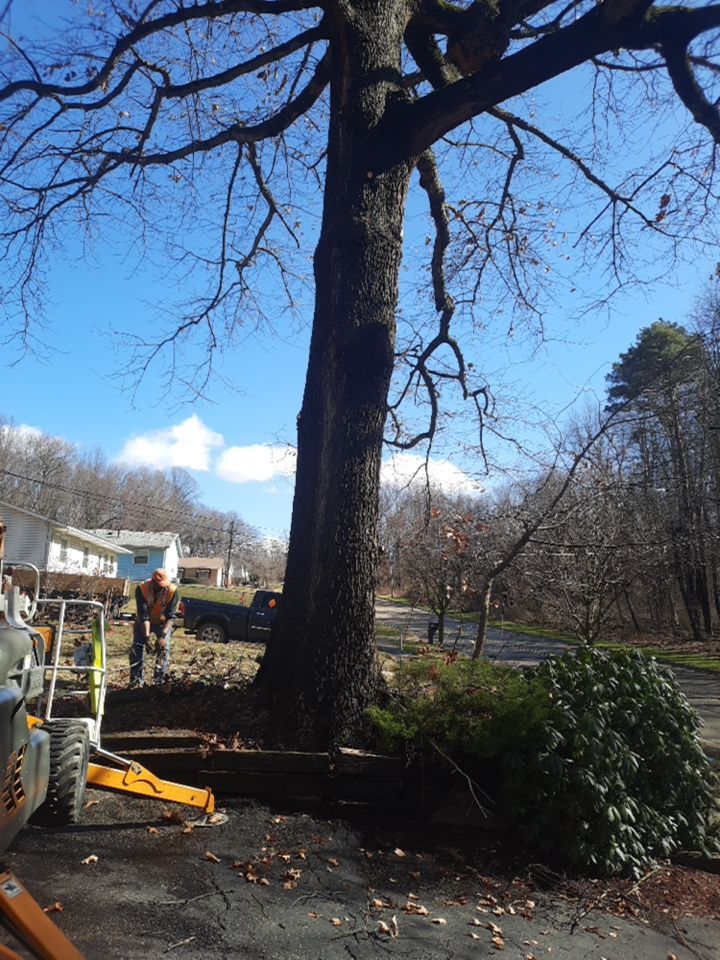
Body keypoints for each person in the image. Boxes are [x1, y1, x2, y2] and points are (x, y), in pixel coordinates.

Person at [129, 569, 179, 687]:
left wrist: (162, 637)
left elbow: (171, 617)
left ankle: (159, 681)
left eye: (164, 585)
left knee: (163, 649)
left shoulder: (172, 591)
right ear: (153, 582)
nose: (162, 588)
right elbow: (144, 616)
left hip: (162, 623)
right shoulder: (142, 589)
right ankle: (136, 682)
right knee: (137, 647)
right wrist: (146, 638)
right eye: (159, 585)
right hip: (143, 622)